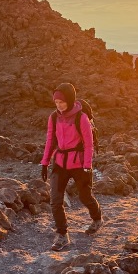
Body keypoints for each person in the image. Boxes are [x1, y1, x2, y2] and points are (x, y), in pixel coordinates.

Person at [40, 82, 102, 251]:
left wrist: (87, 166)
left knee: (85, 196)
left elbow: (88, 144)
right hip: (60, 163)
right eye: (56, 102)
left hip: (79, 163)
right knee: (55, 200)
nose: (59, 106)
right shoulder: (54, 117)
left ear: (70, 99)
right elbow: (50, 140)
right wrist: (45, 163)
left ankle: (97, 218)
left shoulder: (80, 117)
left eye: (62, 102)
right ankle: (62, 235)